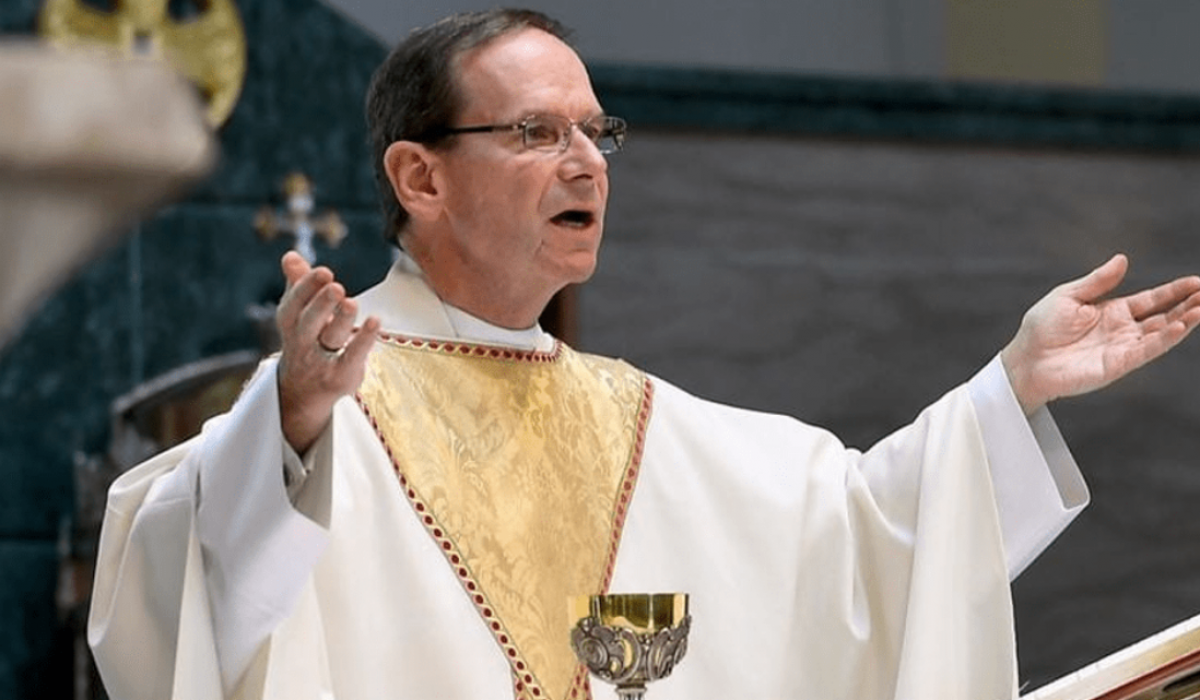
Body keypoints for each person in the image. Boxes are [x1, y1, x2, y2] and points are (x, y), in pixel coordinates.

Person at [88, 9, 1200, 700]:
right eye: (537, 132)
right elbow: (178, 589)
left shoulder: (636, 417)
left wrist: (1014, 387)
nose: (587, 163)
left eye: (597, 131)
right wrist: (288, 424)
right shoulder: (323, 405)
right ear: (420, 177)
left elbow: (865, 535)